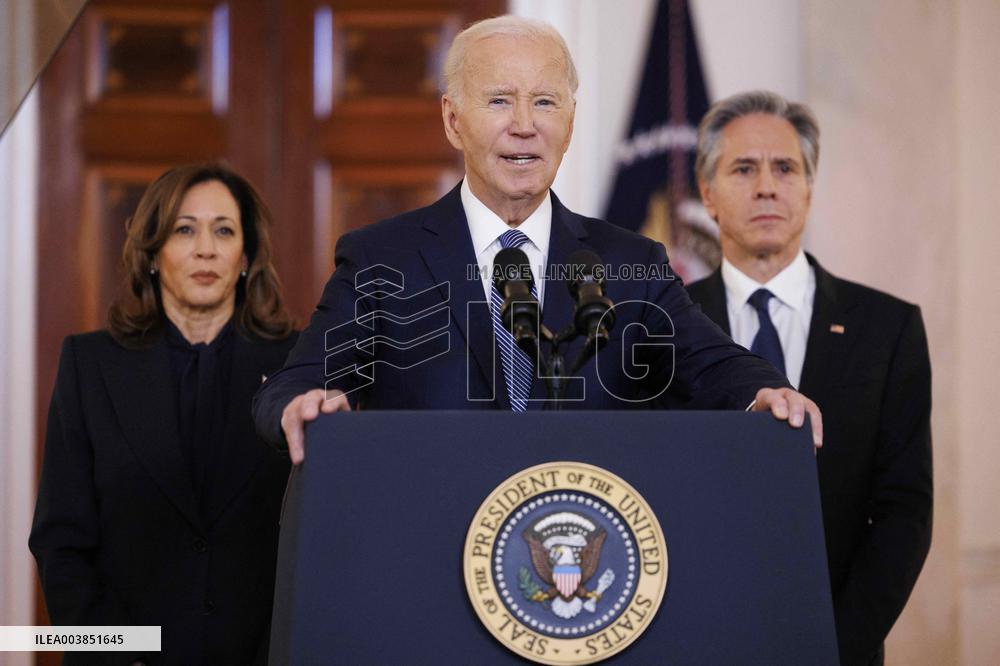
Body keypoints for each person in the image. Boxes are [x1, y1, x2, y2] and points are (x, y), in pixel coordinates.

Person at [252, 16, 823, 464]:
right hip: (429, 562)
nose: (524, 124)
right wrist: (300, 405)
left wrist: (765, 392)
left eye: (545, 102)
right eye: (500, 100)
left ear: (570, 121)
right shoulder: (382, 258)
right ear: (454, 120)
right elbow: (298, 382)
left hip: (581, 573)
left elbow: (715, 364)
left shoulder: (632, 265)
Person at [684, 90, 932, 666]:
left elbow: (904, 512)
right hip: (694, 643)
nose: (767, 186)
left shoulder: (888, 329)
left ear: (809, 190)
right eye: (744, 169)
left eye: (785, 168)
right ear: (707, 195)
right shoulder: (663, 329)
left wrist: (833, 647)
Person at [30, 163, 297, 665]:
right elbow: (60, 542)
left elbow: (317, 545)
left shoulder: (297, 368)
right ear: (153, 254)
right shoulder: (90, 366)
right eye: (184, 230)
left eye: (224, 230)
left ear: (246, 257)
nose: (206, 249)